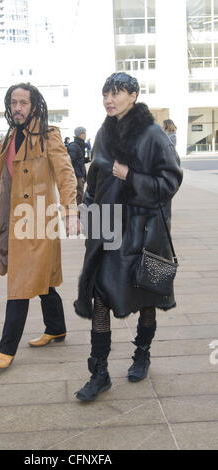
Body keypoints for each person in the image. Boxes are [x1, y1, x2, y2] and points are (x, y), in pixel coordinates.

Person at [74, 72, 183, 401]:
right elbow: (94, 181)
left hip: (143, 231)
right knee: (101, 298)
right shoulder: (103, 133)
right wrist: (88, 212)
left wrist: (130, 176)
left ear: (133, 95)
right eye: (106, 93)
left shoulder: (152, 134)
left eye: (117, 92)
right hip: (107, 229)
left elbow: (170, 182)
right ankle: (99, 372)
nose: (109, 99)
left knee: (146, 295)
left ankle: (142, 352)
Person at [0, 83, 79, 370]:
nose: (18, 107)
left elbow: (66, 175)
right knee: (44, 282)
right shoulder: (10, 138)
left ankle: (7, 349)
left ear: (34, 105)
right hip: (14, 222)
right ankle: (56, 327)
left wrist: (71, 211)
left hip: (38, 224)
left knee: (19, 283)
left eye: (23, 103)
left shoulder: (48, 135)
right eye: (14, 102)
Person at [67, 127, 88, 206]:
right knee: (79, 195)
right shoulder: (74, 146)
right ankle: (78, 212)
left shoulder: (79, 145)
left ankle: (78, 211)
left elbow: (79, 159)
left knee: (80, 194)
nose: (86, 135)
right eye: (84, 133)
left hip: (80, 173)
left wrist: (87, 159)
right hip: (76, 175)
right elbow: (70, 161)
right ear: (80, 134)